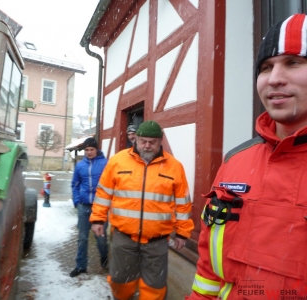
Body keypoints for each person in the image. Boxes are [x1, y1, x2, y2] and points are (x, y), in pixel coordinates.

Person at [189, 13, 307, 299]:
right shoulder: (235, 160)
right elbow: (208, 268)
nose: (275, 79)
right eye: (266, 67)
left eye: (293, 62)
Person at [90, 120, 194, 300]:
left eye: (152, 142)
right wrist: (98, 219)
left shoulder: (175, 167)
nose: (147, 145)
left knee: (154, 288)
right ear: (135, 139)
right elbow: (103, 193)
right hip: (123, 236)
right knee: (120, 281)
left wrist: (183, 233)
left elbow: (183, 204)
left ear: (160, 141)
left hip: (157, 240)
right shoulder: (118, 161)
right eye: (143, 140)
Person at [70, 137, 108, 277]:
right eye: (86, 150)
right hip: (84, 206)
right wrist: (77, 201)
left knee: (101, 238)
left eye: (91, 149)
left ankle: (104, 256)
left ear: (97, 149)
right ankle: (81, 266)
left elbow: (111, 184)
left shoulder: (106, 164)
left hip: (101, 207)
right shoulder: (80, 165)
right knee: (82, 237)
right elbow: (75, 184)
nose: (89, 152)